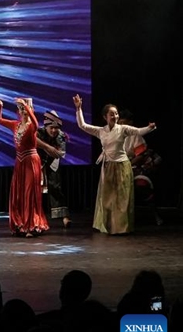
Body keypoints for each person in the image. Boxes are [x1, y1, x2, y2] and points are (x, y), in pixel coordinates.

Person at [72, 94, 156, 235]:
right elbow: (82, 125)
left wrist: (149, 128)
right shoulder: (101, 131)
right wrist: (79, 108)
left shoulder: (123, 129)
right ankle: (109, 226)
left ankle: (121, 228)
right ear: (105, 117)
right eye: (112, 114)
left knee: (121, 199)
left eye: (116, 113)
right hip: (108, 166)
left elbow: (138, 131)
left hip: (122, 166)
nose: (115, 116)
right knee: (107, 198)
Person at [0, 96, 49, 237]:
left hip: (31, 161)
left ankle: (31, 225)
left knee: (29, 193)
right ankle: (20, 223)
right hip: (20, 161)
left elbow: (35, 123)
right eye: (21, 108)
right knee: (18, 193)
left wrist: (27, 107)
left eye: (25, 107)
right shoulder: (16, 125)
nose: (23, 110)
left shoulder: (32, 126)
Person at [119, 109, 163, 225]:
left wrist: (127, 165)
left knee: (141, 185)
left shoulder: (135, 135)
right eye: (120, 123)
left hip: (134, 165)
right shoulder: (115, 133)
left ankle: (155, 214)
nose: (122, 125)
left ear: (130, 123)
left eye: (124, 123)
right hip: (118, 167)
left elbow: (141, 155)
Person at [36, 110, 72, 228]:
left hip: (52, 163)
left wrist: (51, 151)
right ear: (46, 126)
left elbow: (60, 153)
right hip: (37, 162)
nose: (53, 130)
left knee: (55, 187)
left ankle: (65, 216)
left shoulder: (60, 135)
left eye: (56, 128)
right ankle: (35, 217)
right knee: (35, 190)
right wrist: (48, 148)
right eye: (51, 128)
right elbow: (33, 141)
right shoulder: (39, 132)